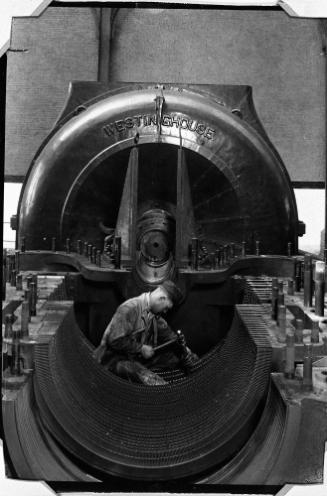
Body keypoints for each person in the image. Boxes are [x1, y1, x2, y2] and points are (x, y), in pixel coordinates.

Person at [93, 280, 197, 385]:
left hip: (136, 358)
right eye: (166, 308)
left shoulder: (154, 315)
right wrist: (140, 348)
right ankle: (165, 394)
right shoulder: (130, 308)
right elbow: (114, 340)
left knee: (174, 360)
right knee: (149, 379)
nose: (165, 311)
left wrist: (185, 350)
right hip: (114, 360)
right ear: (162, 298)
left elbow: (169, 336)